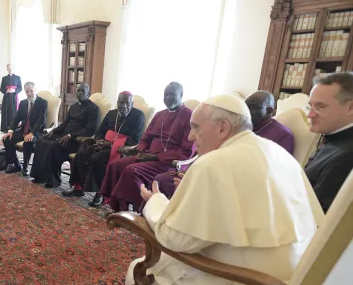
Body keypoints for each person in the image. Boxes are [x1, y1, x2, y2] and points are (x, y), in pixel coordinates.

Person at [112, 94, 323, 285]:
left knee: (141, 269)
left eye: (197, 127)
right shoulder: (279, 154)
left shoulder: (214, 163)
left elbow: (175, 240)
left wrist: (155, 202)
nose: (190, 135)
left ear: (223, 128)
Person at [153, 90, 295, 199]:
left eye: (252, 108)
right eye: (245, 107)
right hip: (217, 177)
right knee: (163, 180)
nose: (247, 112)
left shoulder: (282, 135)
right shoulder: (241, 125)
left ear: (269, 111)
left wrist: (204, 181)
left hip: (241, 189)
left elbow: (267, 174)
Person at [100, 82, 193, 212]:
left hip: (166, 161)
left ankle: (142, 209)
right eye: (165, 95)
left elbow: (186, 151)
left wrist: (155, 157)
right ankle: (119, 205)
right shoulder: (160, 114)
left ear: (181, 95)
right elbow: (146, 137)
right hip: (148, 155)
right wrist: (140, 149)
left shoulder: (189, 116)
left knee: (131, 171)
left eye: (172, 95)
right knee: (115, 165)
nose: (167, 98)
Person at [63, 91, 145, 207]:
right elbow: (100, 131)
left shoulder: (138, 116)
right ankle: (78, 187)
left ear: (132, 103)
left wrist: (111, 144)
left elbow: (134, 140)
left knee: (97, 158)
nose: (123, 106)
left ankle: (100, 193)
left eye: (127, 103)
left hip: (120, 148)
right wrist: (98, 141)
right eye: (120, 102)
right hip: (104, 144)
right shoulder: (111, 113)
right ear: (117, 102)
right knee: (81, 153)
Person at [30, 83, 99, 188]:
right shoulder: (74, 106)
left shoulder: (93, 108)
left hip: (77, 140)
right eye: (78, 91)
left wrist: (71, 135)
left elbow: (90, 130)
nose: (80, 93)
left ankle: (53, 180)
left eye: (82, 91)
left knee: (54, 146)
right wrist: (54, 131)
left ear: (88, 93)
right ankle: (40, 176)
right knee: (41, 141)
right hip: (64, 135)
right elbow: (65, 123)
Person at [305, 71, 353, 213]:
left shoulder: (347, 156)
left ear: (351, 108)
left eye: (320, 107)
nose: (310, 115)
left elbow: (317, 217)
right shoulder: (335, 138)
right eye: (310, 106)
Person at [2, 81, 47, 176]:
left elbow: (41, 120)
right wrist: (10, 131)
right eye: (27, 92)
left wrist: (32, 133)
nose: (29, 93)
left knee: (28, 141)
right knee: (7, 139)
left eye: (31, 91)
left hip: (37, 132)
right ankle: (15, 164)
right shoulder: (23, 103)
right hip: (24, 130)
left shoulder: (42, 103)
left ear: (35, 90)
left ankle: (25, 167)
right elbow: (16, 118)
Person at [0, 64, 23, 133]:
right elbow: (1, 88)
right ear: (7, 69)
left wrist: (14, 91)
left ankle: (14, 127)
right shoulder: (4, 78)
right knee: (6, 112)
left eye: (11, 68)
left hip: (14, 97)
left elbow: (20, 88)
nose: (10, 70)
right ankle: (5, 127)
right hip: (6, 97)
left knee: (14, 112)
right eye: (8, 68)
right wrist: (6, 91)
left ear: (13, 68)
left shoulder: (18, 78)